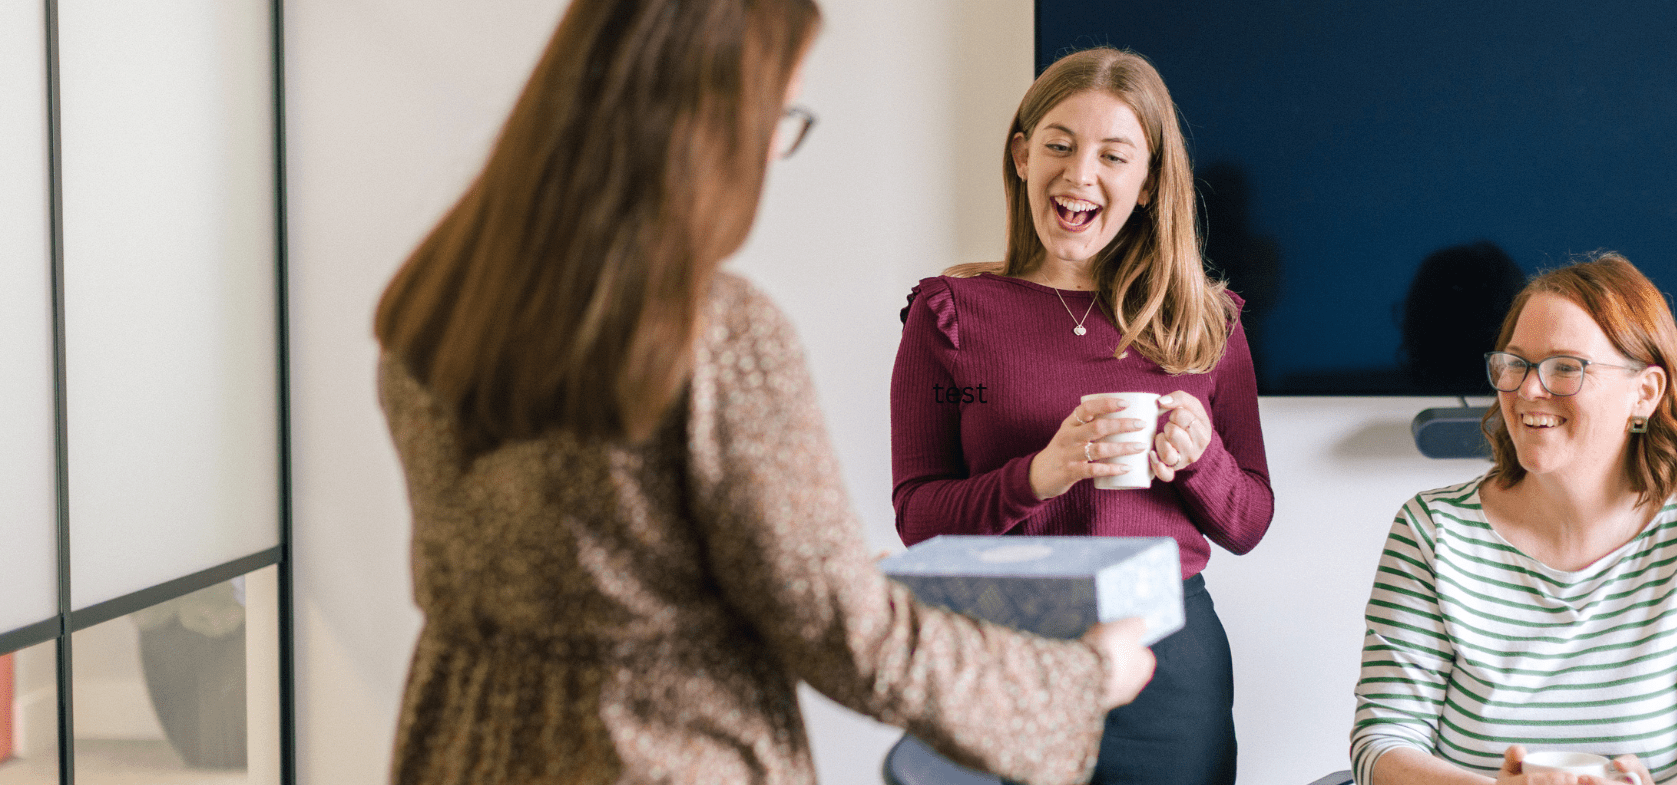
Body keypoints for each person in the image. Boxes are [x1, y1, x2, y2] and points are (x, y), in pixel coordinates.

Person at [372, 2, 1155, 783]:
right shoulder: (715, 330)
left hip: (462, 748)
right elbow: (846, 632)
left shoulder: (442, 302)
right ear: (706, 118)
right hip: (655, 755)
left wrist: (829, 567)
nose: (775, 154)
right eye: (779, 114)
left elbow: (606, 558)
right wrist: (1081, 680)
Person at [890, 47, 1274, 785]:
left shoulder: (1207, 324)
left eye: (1113, 155)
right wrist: (1039, 474)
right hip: (999, 654)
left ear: (1149, 181)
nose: (1079, 174)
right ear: (1022, 155)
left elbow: (1250, 522)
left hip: (1168, 661)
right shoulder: (949, 314)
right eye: (1059, 146)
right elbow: (917, 519)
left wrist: (1201, 462)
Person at [1349, 253, 1677, 785]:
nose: (1529, 390)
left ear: (1644, 393)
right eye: (1515, 364)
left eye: (1565, 367)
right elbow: (1381, 745)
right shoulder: (1432, 531)